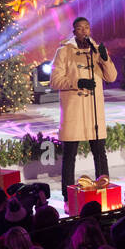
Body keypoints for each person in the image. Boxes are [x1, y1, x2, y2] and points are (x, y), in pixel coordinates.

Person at [50, 16, 118, 194]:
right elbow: (55, 81)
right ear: (74, 32)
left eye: (87, 28)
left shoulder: (96, 50)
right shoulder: (64, 51)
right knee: (69, 155)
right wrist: (77, 82)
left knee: (100, 154)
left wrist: (105, 59)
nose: (84, 31)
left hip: (93, 110)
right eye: (80, 28)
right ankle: (67, 196)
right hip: (74, 110)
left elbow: (111, 77)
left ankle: (104, 192)